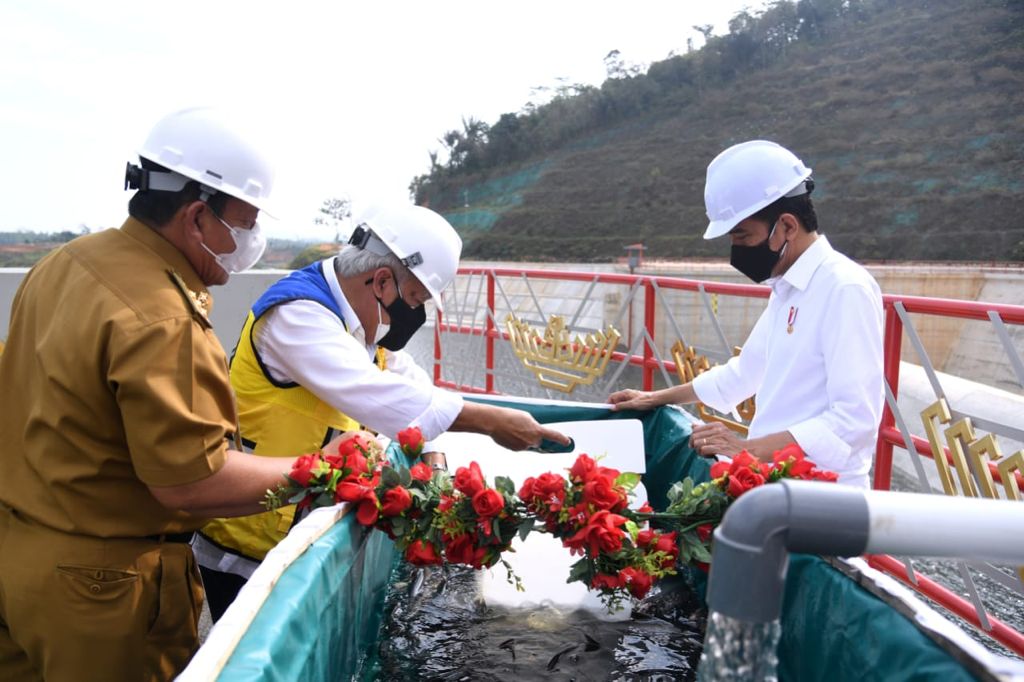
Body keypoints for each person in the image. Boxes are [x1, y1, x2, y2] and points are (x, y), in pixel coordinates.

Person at [0, 107, 357, 681]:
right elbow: (192, 481)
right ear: (197, 218)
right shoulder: (163, 318)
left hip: (17, 558)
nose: (252, 241)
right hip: (101, 591)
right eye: (246, 223)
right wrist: (321, 469)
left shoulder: (64, 264)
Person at [194, 202, 570, 620]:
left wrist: (436, 466)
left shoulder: (359, 321)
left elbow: (415, 391)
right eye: (414, 298)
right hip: (247, 539)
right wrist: (492, 422)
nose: (415, 314)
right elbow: (381, 396)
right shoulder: (299, 315)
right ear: (382, 280)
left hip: (298, 533)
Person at [609, 140, 884, 488]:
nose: (737, 251)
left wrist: (748, 450)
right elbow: (745, 372)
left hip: (822, 498)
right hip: (777, 484)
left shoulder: (844, 289)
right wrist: (655, 397)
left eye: (743, 236)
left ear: (786, 225)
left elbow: (853, 422)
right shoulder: (788, 288)